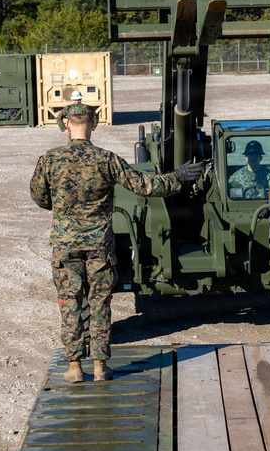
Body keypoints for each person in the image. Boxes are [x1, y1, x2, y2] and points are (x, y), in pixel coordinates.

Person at [30, 103, 202, 383]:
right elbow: (146, 186)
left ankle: (74, 367)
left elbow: (39, 197)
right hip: (99, 244)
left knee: (69, 302)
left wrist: (63, 209)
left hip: (65, 244)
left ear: (66, 125)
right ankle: (100, 367)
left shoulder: (49, 160)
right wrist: (179, 177)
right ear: (93, 125)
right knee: (100, 302)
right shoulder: (106, 159)